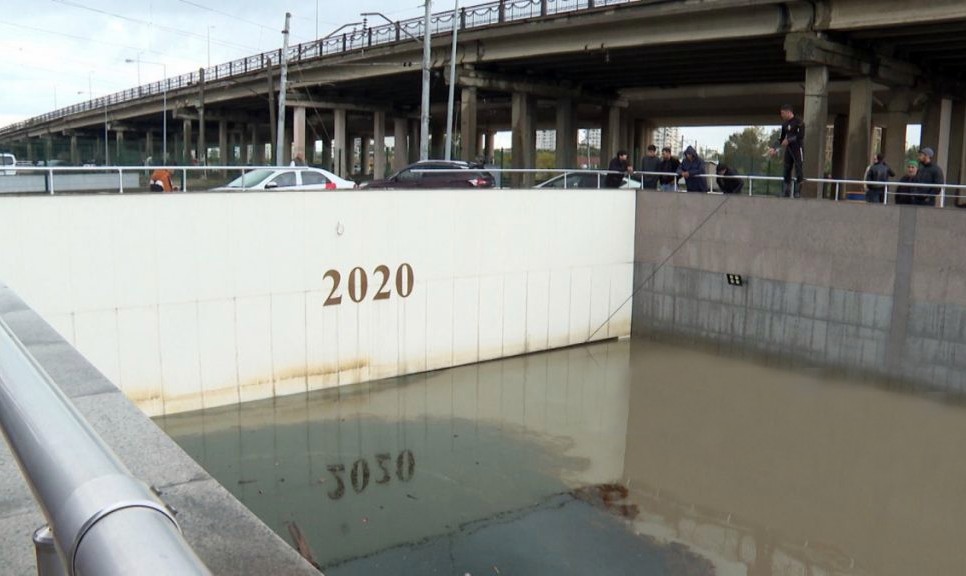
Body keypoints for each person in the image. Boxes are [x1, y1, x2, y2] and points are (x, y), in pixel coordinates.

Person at [768, 104, 805, 198]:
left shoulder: (799, 122)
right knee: (786, 169)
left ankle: (797, 191)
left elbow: (800, 136)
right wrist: (774, 147)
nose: (782, 115)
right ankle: (786, 191)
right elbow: (781, 138)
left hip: (797, 148)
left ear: (788, 112)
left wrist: (789, 140)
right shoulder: (784, 124)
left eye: (783, 113)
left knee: (798, 168)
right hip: (788, 150)